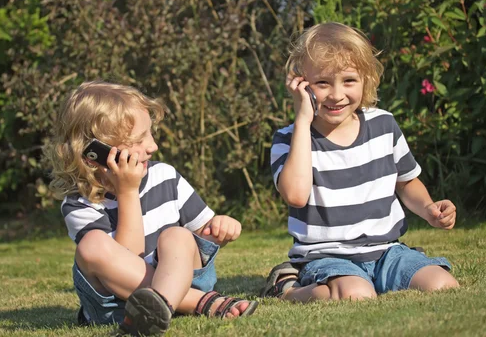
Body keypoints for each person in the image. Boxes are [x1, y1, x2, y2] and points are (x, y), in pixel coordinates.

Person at [260, 22, 459, 302]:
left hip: (388, 251)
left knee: (443, 284)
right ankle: (287, 290)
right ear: (302, 84)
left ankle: (370, 279)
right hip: (327, 257)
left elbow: (406, 182)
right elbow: (295, 195)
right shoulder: (290, 139)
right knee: (357, 295)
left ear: (366, 78)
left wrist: (428, 209)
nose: (337, 94)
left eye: (349, 80)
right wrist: (303, 118)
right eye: (322, 83)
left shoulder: (383, 124)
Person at [45, 81, 258, 336]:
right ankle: (198, 303)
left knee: (178, 235)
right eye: (138, 139)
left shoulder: (165, 176)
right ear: (95, 153)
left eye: (150, 134)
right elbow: (129, 257)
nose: (152, 146)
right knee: (91, 246)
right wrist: (127, 191)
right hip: (118, 304)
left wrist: (219, 230)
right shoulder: (80, 204)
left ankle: (161, 307)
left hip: (182, 280)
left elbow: (201, 236)